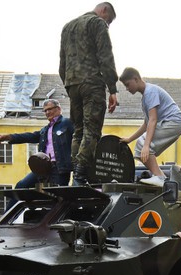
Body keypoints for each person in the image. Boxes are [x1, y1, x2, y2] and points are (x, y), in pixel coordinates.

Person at [59, 3, 118, 185]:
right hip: (92, 83)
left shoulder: (67, 27)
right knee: (92, 130)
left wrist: (69, 85)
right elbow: (105, 56)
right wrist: (112, 89)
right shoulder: (97, 23)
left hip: (72, 84)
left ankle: (76, 175)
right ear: (104, 11)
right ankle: (80, 174)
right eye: (109, 21)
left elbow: (62, 62)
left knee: (78, 131)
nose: (107, 24)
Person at [118, 68, 181, 187]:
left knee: (143, 145)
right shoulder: (145, 97)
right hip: (169, 124)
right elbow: (146, 124)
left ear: (136, 79)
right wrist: (130, 139)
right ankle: (161, 178)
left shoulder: (150, 92)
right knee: (139, 151)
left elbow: (153, 120)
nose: (127, 89)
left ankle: (159, 178)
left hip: (172, 122)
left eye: (127, 85)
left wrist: (146, 145)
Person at [0, 99, 75, 187]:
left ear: (58, 109)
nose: (47, 112)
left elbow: (79, 137)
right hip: (43, 167)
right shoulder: (45, 130)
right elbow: (28, 136)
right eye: (45, 111)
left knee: (56, 192)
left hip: (60, 168)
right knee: (21, 185)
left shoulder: (67, 123)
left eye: (50, 109)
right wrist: (7, 137)